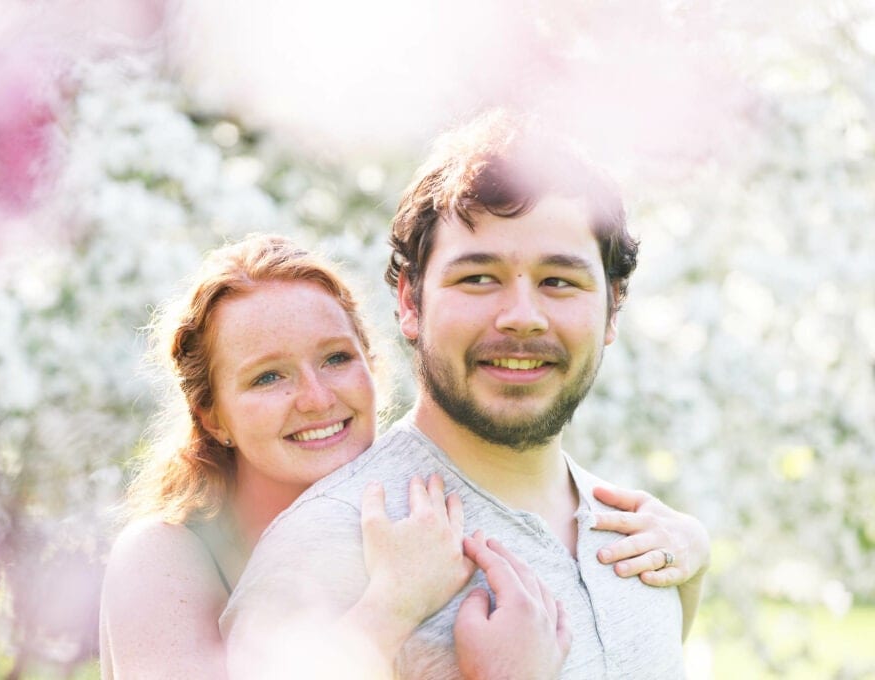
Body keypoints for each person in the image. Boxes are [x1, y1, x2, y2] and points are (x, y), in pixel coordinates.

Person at [221, 112, 709, 679]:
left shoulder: (648, 540)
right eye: (478, 277)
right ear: (410, 300)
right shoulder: (328, 545)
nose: (522, 318)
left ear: (612, 308)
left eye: (559, 281)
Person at [100, 233, 707, 678]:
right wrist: (395, 605)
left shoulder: (413, 514)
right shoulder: (165, 554)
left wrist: (693, 563)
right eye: (267, 378)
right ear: (211, 415)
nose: (316, 398)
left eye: (337, 359)